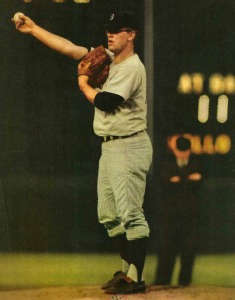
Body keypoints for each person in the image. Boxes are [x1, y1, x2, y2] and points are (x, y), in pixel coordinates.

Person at [12, 10, 153, 294]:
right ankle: (127, 271)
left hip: (129, 144)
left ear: (132, 34)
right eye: (108, 30)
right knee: (108, 215)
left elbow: (106, 101)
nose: (110, 34)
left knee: (131, 215)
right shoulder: (110, 59)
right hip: (111, 145)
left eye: (117, 30)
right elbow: (71, 49)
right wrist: (35, 29)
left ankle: (136, 277)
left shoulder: (133, 67)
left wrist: (83, 84)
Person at [154, 135, 202, 286]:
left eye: (184, 151)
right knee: (167, 249)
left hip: (189, 215)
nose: (181, 154)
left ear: (189, 151)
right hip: (170, 216)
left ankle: (185, 283)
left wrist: (177, 180)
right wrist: (188, 179)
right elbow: (164, 184)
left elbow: (198, 184)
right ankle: (162, 282)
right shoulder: (166, 164)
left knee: (188, 250)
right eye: (179, 151)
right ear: (174, 150)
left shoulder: (196, 163)